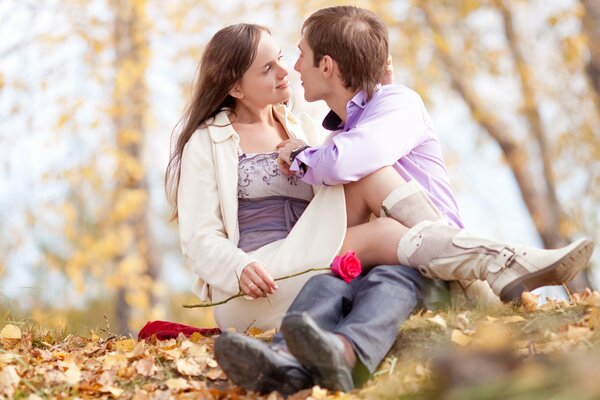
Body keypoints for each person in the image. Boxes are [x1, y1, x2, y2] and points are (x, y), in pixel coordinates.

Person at [214, 5, 595, 394]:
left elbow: (349, 160)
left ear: (326, 65)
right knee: (327, 284)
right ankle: (285, 361)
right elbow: (334, 185)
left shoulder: (396, 104)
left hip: (428, 265)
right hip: (376, 257)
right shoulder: (337, 137)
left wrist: (297, 155)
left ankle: (498, 262)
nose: (294, 68)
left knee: (387, 258)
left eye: (299, 54)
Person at [165, 23, 429, 334]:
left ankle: (460, 255)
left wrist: (378, 96)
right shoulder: (207, 140)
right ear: (236, 88)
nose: (284, 70)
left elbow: (356, 165)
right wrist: (238, 268)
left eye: (280, 58)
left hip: (313, 256)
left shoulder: (304, 128)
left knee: (370, 176)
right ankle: (471, 268)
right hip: (258, 284)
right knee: (383, 234)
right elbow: (199, 238)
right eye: (267, 68)